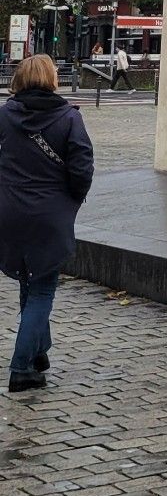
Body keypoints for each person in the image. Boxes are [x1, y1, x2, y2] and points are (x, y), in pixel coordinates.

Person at [0, 55, 94, 393]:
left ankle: (38, 351)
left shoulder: (4, 115)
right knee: (41, 289)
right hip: (50, 215)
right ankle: (22, 367)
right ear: (53, 79)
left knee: (29, 281)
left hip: (9, 212)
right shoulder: (69, 118)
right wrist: (71, 199)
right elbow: (82, 168)